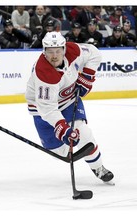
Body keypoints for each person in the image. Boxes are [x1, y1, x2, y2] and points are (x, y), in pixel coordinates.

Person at [25, 31, 114, 183]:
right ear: (44, 51)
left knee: (84, 133)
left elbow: (94, 53)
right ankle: (69, 147)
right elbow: (47, 108)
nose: (54, 56)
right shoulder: (44, 73)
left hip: (69, 100)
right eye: (50, 52)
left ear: (64, 49)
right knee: (60, 153)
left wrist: (87, 76)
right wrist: (62, 127)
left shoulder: (73, 51)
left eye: (58, 51)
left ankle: (98, 167)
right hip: (42, 111)